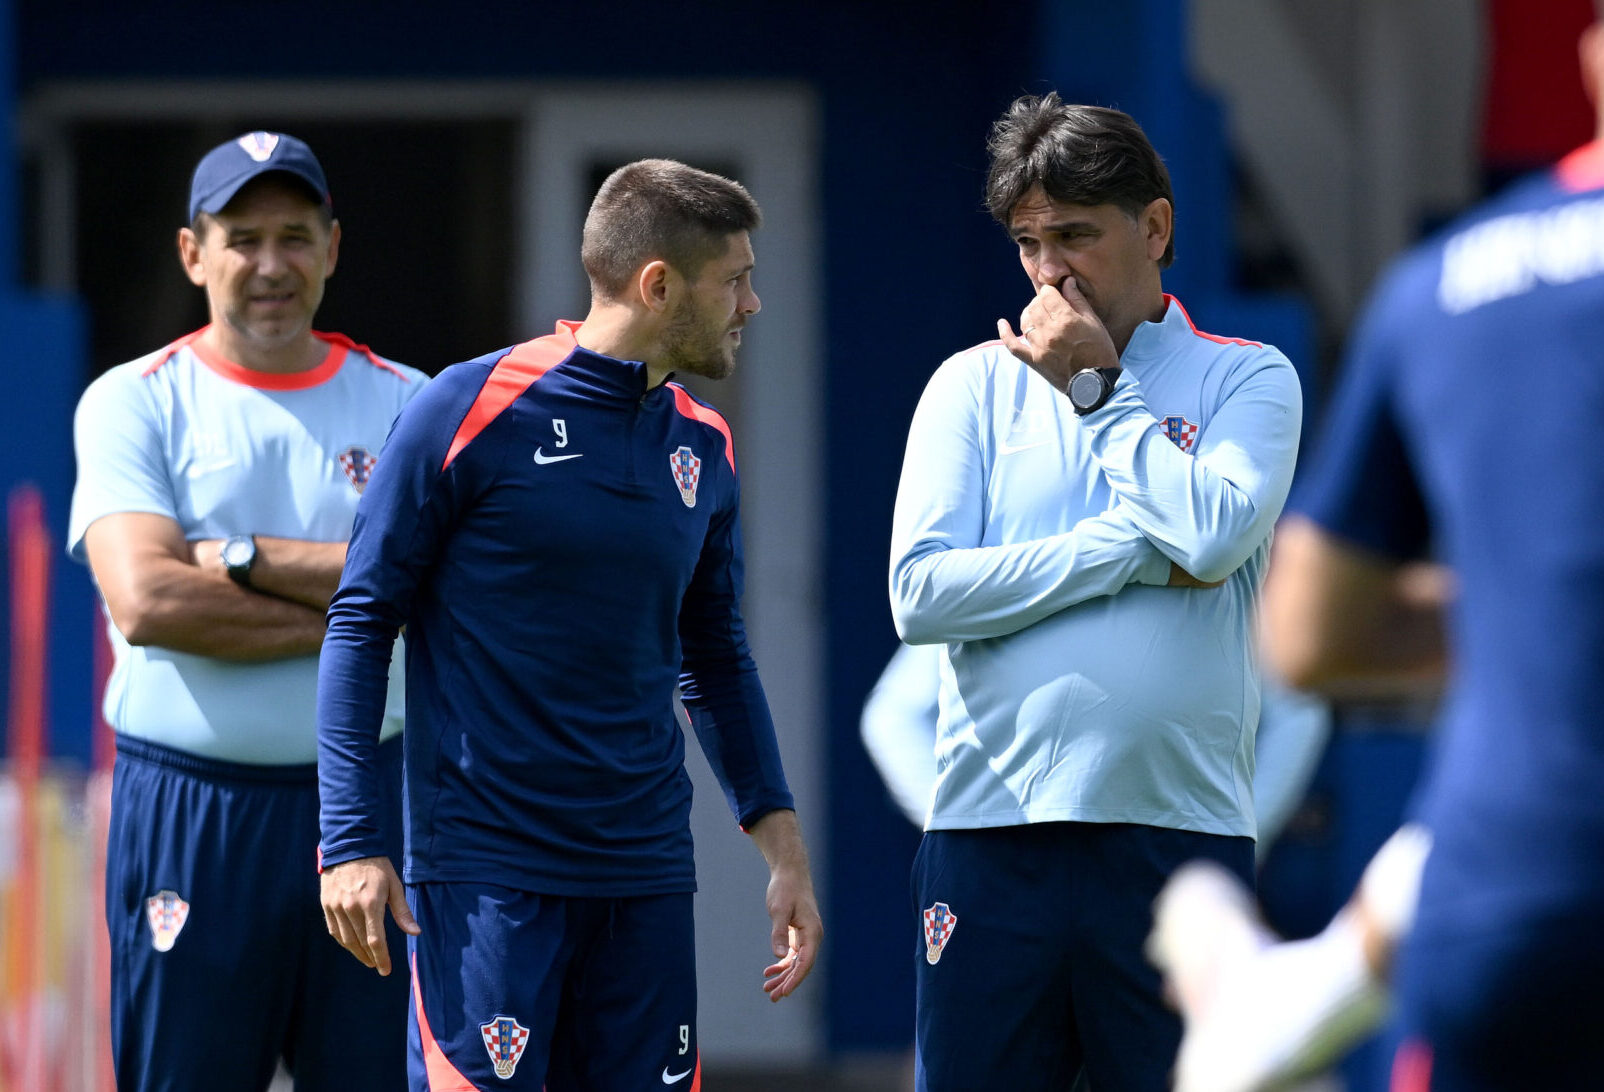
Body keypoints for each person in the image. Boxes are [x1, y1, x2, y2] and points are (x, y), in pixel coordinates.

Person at [1148, 11, 1604, 1089]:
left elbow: (1305, 637)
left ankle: (1287, 1000)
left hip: (1513, 900)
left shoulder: (1443, 286)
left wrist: (1524, 620)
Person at [316, 158, 822, 1091]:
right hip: (485, 879)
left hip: (647, 878)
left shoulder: (702, 443)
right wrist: (351, 838)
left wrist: (783, 849)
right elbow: (362, 619)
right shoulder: (467, 408)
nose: (752, 304)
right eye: (736, 280)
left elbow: (713, 657)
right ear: (658, 284)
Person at [888, 94, 1303, 1091]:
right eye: (1028, 242)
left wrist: (1096, 394)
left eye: (1074, 234)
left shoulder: (1245, 379)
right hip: (988, 837)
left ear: (1153, 227)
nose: (1048, 269)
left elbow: (1206, 533)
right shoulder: (969, 385)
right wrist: (1120, 551)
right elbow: (921, 597)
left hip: (1179, 844)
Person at [66, 132, 426, 1091]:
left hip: (372, 802)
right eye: (243, 239)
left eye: (296, 237)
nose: (272, 265)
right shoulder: (133, 402)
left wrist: (240, 559)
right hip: (190, 808)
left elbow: (443, 592)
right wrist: (364, 617)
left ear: (334, 248)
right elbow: (146, 600)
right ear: (194, 254)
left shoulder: (411, 405)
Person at [859, 641, 1331, 857]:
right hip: (1015, 879)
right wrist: (971, 832)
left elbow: (1299, 711)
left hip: (1171, 874)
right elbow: (893, 717)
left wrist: (1239, 835)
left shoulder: (1204, 543)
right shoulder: (1005, 550)